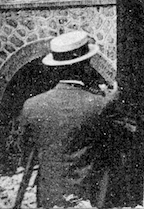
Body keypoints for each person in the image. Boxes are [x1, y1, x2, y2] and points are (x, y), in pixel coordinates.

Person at [16, 31, 123, 209]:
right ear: (86, 65)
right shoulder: (99, 105)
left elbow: (25, 150)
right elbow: (120, 145)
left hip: (48, 199)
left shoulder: (32, 106)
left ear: (54, 67)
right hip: (87, 199)